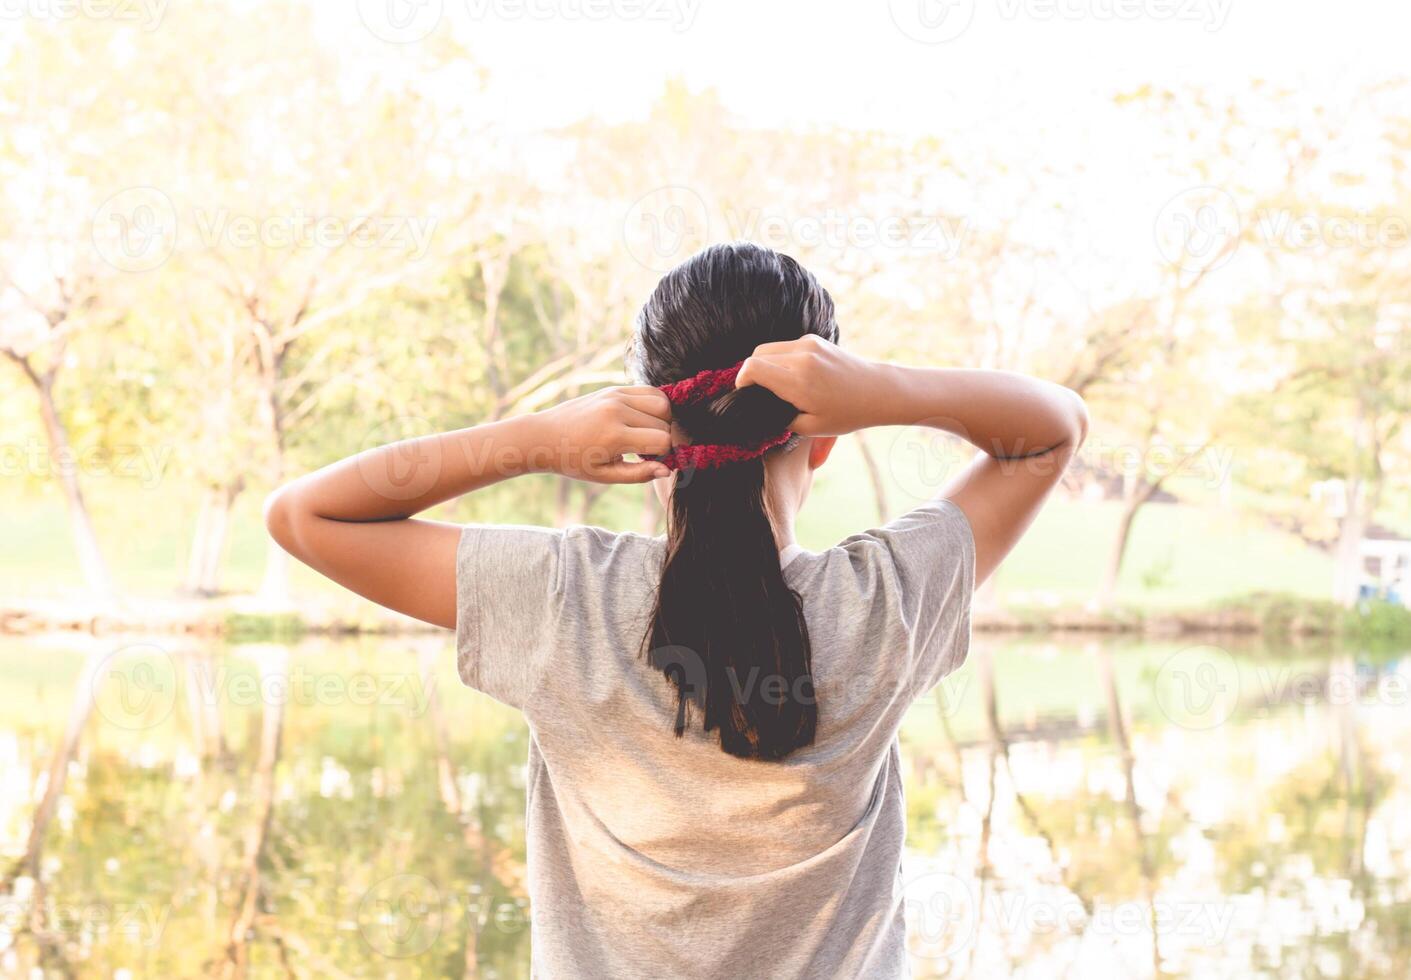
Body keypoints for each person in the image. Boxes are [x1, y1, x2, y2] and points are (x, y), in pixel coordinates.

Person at [265, 242, 1088, 978]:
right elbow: (1052, 431)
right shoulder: (885, 604)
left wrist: (533, 440)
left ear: (652, 423)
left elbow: (306, 516)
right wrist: (884, 391)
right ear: (828, 437)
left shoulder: (562, 599)